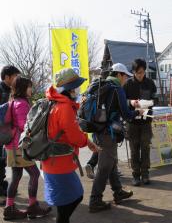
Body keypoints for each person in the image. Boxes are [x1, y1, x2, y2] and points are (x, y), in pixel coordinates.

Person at [42, 68, 99, 223]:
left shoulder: (51, 102)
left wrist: (86, 141)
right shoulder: (64, 107)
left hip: (49, 159)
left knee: (64, 202)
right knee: (76, 196)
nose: (76, 90)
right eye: (74, 87)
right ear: (67, 89)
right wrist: (86, 142)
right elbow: (74, 135)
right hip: (60, 162)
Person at [89, 63, 143, 213]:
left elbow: (112, 105)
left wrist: (129, 102)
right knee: (105, 166)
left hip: (97, 130)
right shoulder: (116, 88)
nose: (126, 79)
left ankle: (118, 191)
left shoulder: (103, 85)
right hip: (108, 133)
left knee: (111, 162)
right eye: (125, 76)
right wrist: (138, 112)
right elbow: (126, 114)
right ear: (119, 74)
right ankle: (95, 200)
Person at [3, 76, 51, 220]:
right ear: (23, 88)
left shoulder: (13, 101)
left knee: (16, 176)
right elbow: (25, 125)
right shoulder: (22, 104)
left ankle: (9, 208)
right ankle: (32, 207)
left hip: (12, 145)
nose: (31, 89)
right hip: (19, 146)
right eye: (29, 86)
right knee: (35, 174)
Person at [123, 58, 157, 186]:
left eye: (142, 72)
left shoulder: (150, 83)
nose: (140, 75)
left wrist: (149, 103)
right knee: (134, 149)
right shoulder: (127, 84)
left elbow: (157, 98)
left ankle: (145, 174)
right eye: (137, 72)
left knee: (145, 147)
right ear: (133, 72)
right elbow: (122, 101)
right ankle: (135, 175)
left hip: (146, 121)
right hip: (132, 122)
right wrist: (131, 102)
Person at [0, 66, 20, 200]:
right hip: (2, 132)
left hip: (7, 134)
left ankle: (2, 187)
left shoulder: (11, 90)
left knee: (2, 162)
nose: (17, 79)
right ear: (7, 77)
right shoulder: (1, 91)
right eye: (15, 77)